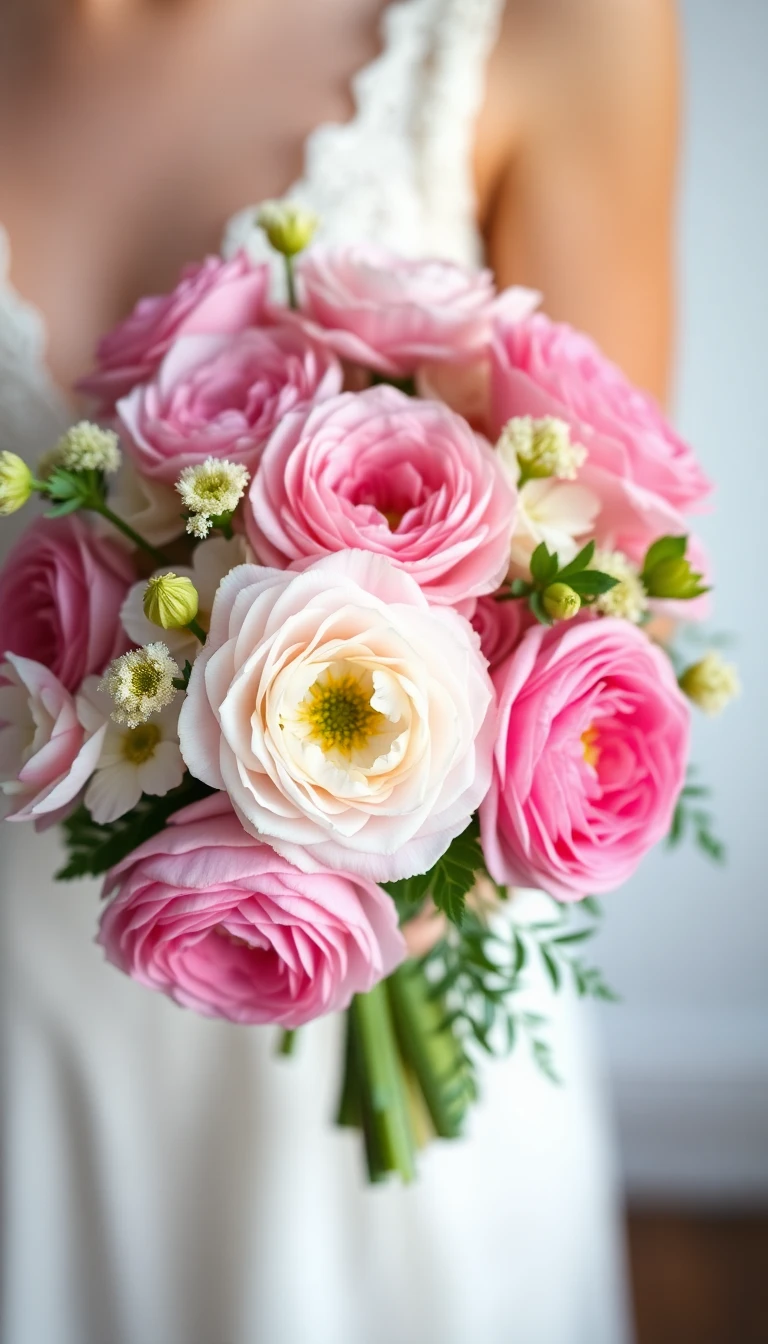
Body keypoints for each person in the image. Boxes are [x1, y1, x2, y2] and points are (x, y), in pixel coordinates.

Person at [0, 2, 678, 1340]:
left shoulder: (561, 24)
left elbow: (619, 563)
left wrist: (403, 828)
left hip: (403, 953)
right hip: (29, 995)